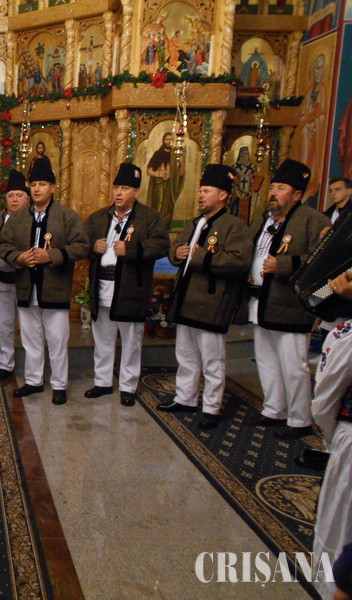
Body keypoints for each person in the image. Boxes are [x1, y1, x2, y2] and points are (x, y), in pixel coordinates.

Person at [157, 164, 253, 429]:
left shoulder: (235, 226)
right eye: (200, 190)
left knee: (212, 360)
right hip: (186, 300)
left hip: (212, 303)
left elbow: (239, 261)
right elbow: (177, 249)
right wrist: (175, 254)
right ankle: (185, 398)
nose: (200, 195)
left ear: (222, 195)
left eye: (206, 191)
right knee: (185, 355)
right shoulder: (194, 223)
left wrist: (201, 256)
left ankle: (211, 407)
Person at [244, 159, 331, 438]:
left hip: (290, 306)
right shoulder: (264, 220)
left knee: (293, 366)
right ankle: (274, 409)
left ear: (296, 195)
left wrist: (283, 265)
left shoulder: (313, 220)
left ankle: (299, 419)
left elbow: (323, 260)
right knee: (266, 360)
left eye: (281, 188)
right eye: (272, 187)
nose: (273, 193)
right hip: (261, 302)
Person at [0, 156, 89, 405]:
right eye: (33, 184)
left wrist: (52, 255)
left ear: (52, 187)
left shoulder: (67, 216)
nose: (37, 189)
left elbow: (82, 246)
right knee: (30, 339)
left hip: (54, 288)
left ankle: (59, 385)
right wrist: (18, 257)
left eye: (42, 184)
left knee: (57, 340)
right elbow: (3, 244)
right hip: (26, 287)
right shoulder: (18, 218)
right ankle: (34, 380)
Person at [84, 162, 170, 406]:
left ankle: (128, 386)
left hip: (131, 289)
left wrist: (132, 249)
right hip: (102, 286)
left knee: (131, 341)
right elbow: (80, 242)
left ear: (136, 192)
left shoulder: (149, 217)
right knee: (102, 339)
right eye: (116, 188)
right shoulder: (99, 217)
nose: (118, 193)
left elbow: (162, 245)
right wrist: (93, 247)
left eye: (124, 188)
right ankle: (102, 382)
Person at [310, 269, 352, 600]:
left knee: (340, 522)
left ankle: (332, 589)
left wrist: (331, 436)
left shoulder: (346, 337)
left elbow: (325, 401)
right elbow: (314, 299)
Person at [0, 169, 30, 381]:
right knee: (3, 325)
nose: (15, 200)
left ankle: (33, 368)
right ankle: (5, 364)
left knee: (29, 327)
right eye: (11, 195)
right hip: (1, 281)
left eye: (19, 195)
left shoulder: (33, 219)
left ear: (27, 198)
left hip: (26, 281)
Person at [146, 132, 185, 223]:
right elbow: (149, 171)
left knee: (168, 208)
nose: (169, 142)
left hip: (170, 186)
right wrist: (159, 174)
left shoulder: (176, 155)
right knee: (158, 205)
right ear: (163, 140)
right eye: (167, 139)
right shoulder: (158, 154)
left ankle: (165, 227)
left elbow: (181, 174)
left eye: (171, 140)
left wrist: (182, 162)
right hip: (159, 184)